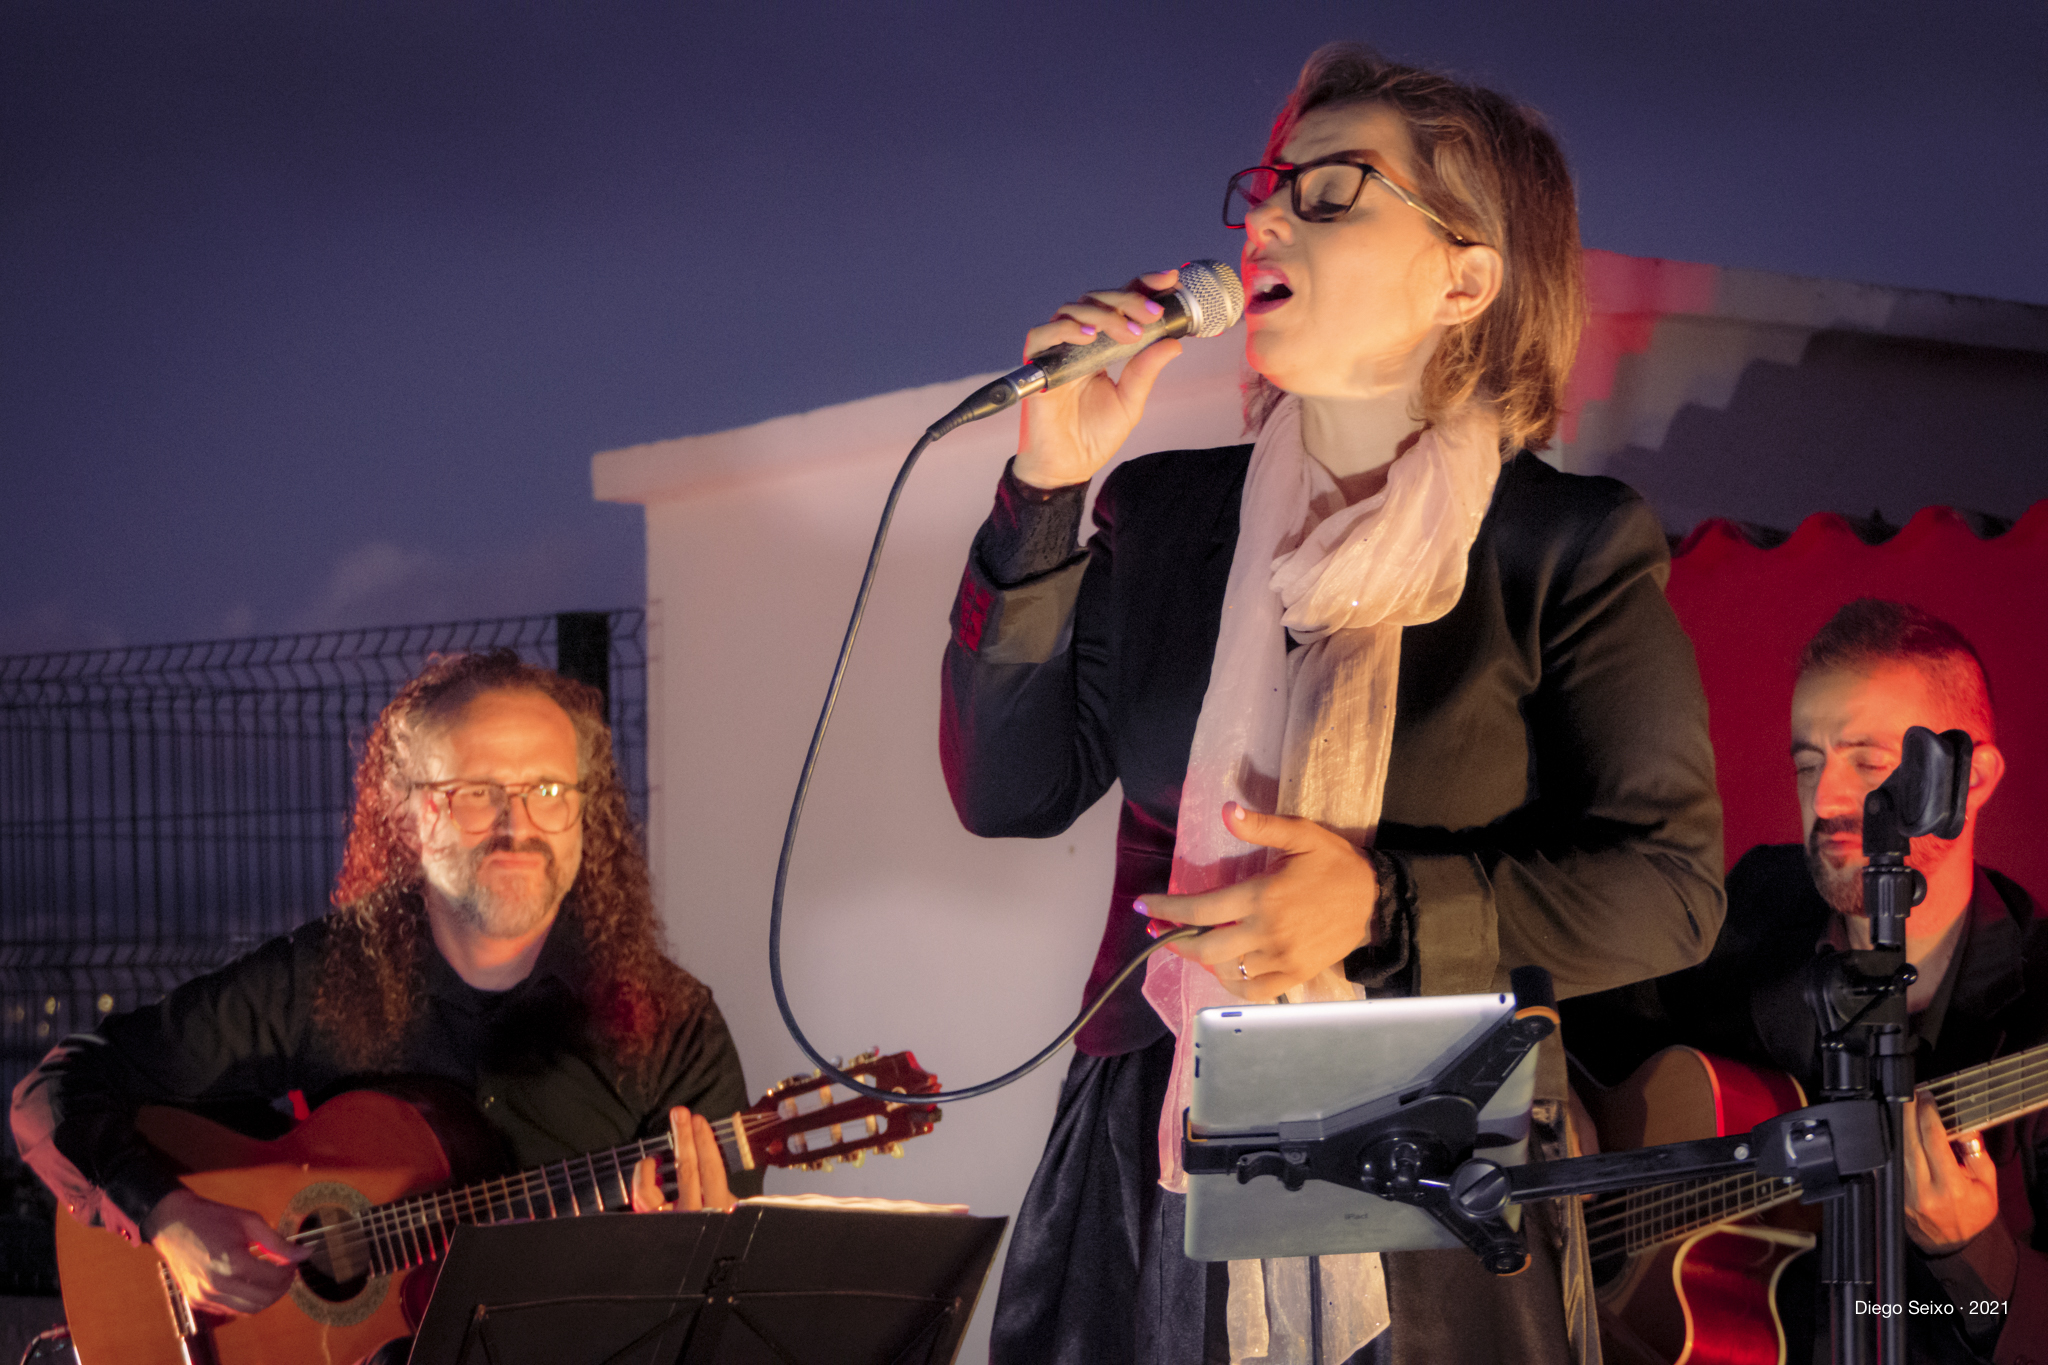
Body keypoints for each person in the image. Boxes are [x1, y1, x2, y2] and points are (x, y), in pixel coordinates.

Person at [939, 41, 1723, 1365]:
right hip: (1148, 1152)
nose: (1265, 219)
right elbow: (1006, 789)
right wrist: (1046, 492)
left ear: (1465, 277)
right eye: (1268, 187)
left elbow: (1672, 889)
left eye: (1332, 191)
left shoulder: (1563, 546)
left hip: (1427, 1136)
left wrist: (1381, 908)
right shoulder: (1166, 512)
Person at [11, 649, 756, 1337]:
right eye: (477, 793)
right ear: (410, 811)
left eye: (549, 790)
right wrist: (168, 1215)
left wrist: (686, 1262)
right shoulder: (327, 976)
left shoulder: (673, 1028)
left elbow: (727, 1315)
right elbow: (54, 1094)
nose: (518, 826)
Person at [1566, 599, 2048, 1363]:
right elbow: (1579, 1018)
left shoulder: (2037, 991)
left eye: (1868, 761)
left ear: (1973, 778)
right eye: (1808, 763)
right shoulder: (1756, 905)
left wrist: (1972, 1253)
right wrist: (1557, 1090)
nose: (1824, 801)